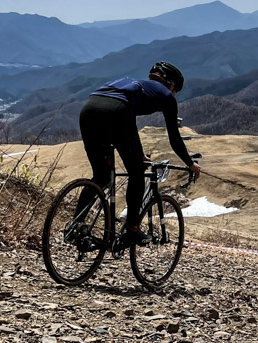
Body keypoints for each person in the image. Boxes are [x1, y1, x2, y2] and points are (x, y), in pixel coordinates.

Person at [76, 61, 202, 247]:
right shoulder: (167, 96)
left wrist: (139, 153)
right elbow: (174, 138)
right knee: (137, 172)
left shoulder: (133, 85)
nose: (173, 94)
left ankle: (76, 226)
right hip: (117, 112)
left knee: (101, 176)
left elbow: (129, 122)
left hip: (88, 109)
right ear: (172, 85)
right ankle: (131, 230)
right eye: (176, 91)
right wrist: (190, 163)